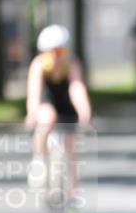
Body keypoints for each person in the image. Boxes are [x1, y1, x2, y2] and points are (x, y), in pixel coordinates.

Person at [25, 24, 92, 201]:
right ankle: (39, 159)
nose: (55, 57)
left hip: (66, 106)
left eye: (60, 52)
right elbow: (34, 92)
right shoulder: (39, 66)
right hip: (48, 103)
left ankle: (74, 194)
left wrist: (84, 109)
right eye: (51, 53)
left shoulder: (71, 64)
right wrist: (32, 113)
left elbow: (76, 88)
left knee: (71, 148)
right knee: (47, 118)